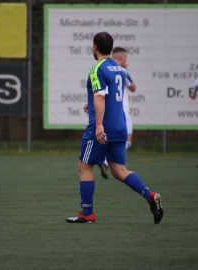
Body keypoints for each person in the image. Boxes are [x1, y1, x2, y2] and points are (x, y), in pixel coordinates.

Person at [66, 32, 163, 224]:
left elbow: (101, 97)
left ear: (94, 47)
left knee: (84, 167)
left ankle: (87, 213)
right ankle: (149, 195)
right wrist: (91, 105)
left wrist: (99, 124)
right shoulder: (119, 69)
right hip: (120, 126)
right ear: (111, 48)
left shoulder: (97, 68)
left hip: (103, 127)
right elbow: (107, 96)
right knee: (119, 170)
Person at [97, 47, 137, 179]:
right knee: (127, 141)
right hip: (122, 111)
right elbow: (133, 87)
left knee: (110, 139)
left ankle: (105, 159)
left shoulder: (104, 69)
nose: (126, 60)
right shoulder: (122, 71)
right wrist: (126, 69)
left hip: (109, 110)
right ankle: (105, 160)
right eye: (125, 57)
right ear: (120, 58)